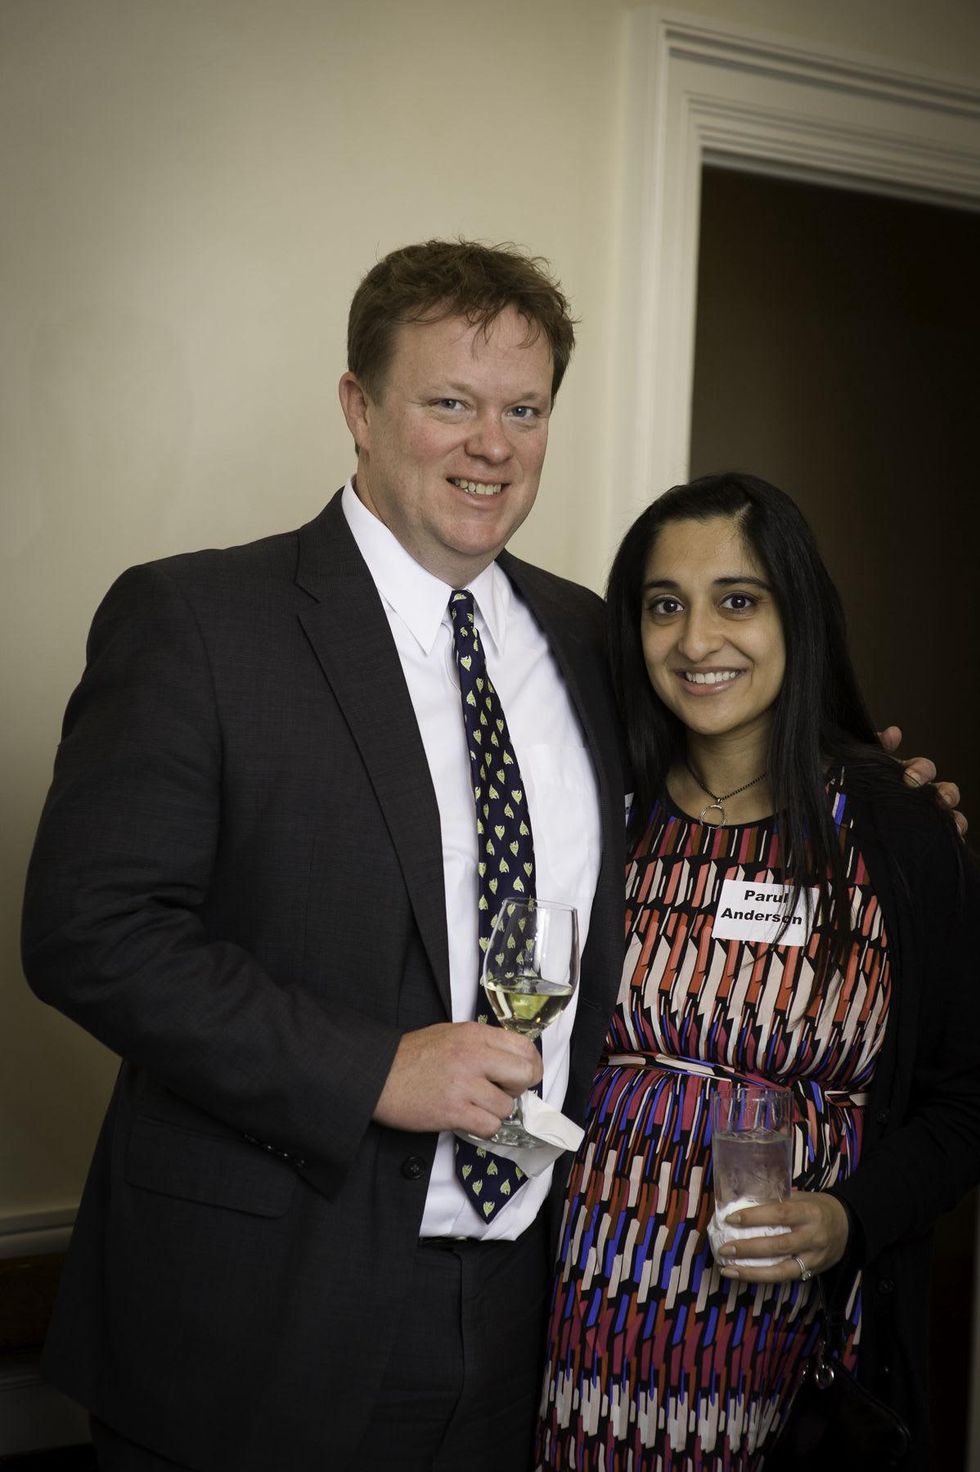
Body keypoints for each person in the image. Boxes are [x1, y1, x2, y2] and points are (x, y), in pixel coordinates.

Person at [21, 243, 953, 1472]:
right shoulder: (199, 621)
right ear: (358, 407)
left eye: (523, 409)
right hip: (264, 1301)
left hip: (539, 1308)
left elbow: (733, 762)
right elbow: (88, 930)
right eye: (450, 401)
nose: (491, 444)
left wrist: (883, 798)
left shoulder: (590, 638)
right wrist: (374, 1067)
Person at [536, 472, 980, 1471]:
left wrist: (850, 1217)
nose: (697, 640)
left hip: (783, 1345)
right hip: (572, 1320)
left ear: (797, 615)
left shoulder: (897, 832)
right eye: (664, 606)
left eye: (736, 600)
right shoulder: (599, 815)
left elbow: (966, 1096)